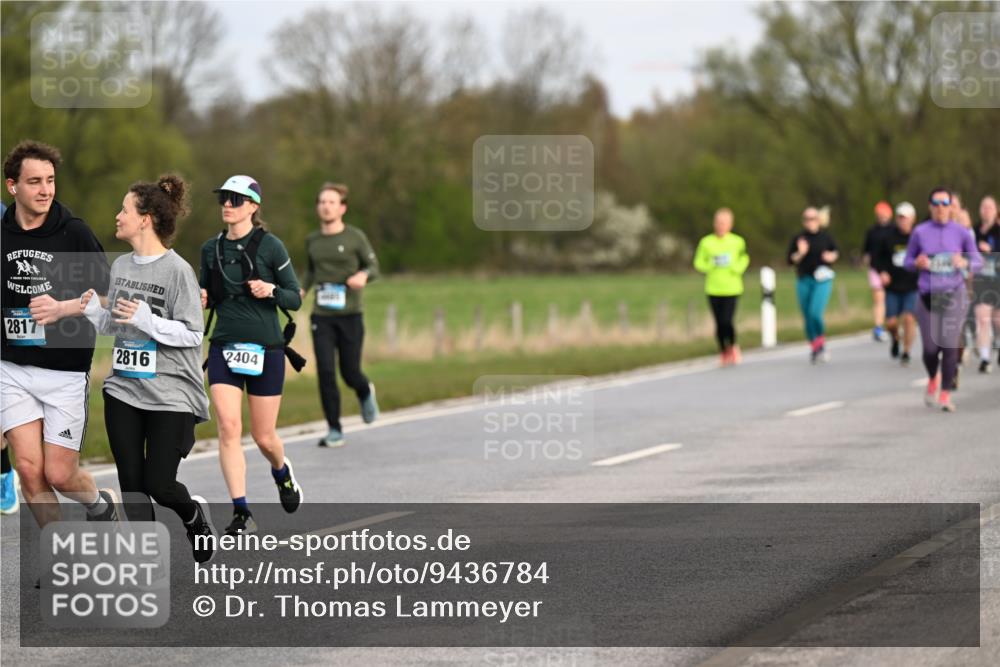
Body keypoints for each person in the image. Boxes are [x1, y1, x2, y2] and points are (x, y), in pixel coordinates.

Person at [81, 175, 215, 562]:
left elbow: (193, 333)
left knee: (159, 484)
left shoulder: (177, 271)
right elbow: (117, 326)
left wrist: (147, 319)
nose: (117, 215)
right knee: (133, 486)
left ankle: (193, 517)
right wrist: (96, 312)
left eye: (124, 209)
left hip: (170, 393)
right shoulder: (121, 265)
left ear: (146, 219)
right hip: (124, 388)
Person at [1, 140, 119, 533]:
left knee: (60, 474)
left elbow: (109, 296)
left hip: (65, 371)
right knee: (31, 472)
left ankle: (100, 505)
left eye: (50, 180)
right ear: (12, 187)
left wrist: (63, 307)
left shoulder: (73, 232)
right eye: (35, 182)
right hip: (12, 368)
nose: (46, 190)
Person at [200, 174, 303, 535]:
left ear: (253, 207)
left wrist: (271, 289)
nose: (227, 205)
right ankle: (241, 512)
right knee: (228, 427)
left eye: (235, 200)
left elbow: (295, 297)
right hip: (224, 347)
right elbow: (208, 293)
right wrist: (203, 298)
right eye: (224, 199)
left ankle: (282, 472)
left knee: (264, 437)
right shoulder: (210, 249)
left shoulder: (271, 246)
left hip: (267, 349)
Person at [301, 183, 380, 446]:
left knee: (350, 372)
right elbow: (311, 271)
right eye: (322, 202)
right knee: (325, 371)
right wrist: (301, 289)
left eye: (332, 202)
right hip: (321, 316)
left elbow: (373, 267)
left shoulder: (354, 237)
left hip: (350, 315)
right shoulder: (312, 240)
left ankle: (364, 390)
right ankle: (334, 429)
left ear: (342, 208)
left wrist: (363, 275)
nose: (326, 206)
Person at [904, 187, 983, 412]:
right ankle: (932, 378)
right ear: (930, 206)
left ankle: (946, 395)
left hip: (953, 293)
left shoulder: (961, 232)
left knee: (948, 345)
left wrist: (965, 262)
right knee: (930, 349)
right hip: (927, 294)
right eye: (936, 203)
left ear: (951, 206)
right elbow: (907, 261)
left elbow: (978, 260)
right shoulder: (919, 232)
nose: (940, 208)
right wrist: (916, 263)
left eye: (945, 203)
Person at [693, 207, 750, 367]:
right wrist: (710, 265)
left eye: (724, 223)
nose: (721, 226)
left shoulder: (737, 241)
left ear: (730, 224)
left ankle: (732, 346)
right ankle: (723, 351)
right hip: (713, 287)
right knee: (718, 323)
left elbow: (744, 258)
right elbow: (698, 263)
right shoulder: (706, 242)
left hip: (732, 287)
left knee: (727, 321)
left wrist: (736, 268)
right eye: (718, 222)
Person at [787, 206, 839, 363]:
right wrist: (800, 253)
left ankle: (820, 340)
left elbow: (835, 252)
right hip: (804, 279)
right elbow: (790, 260)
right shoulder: (799, 238)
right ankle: (815, 346)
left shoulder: (825, 237)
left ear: (818, 220)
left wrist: (831, 256)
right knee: (806, 315)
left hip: (822, 280)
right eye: (807, 219)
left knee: (815, 312)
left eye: (813, 218)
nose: (810, 222)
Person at [872, 202, 919, 365]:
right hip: (893, 286)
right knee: (891, 322)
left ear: (912, 219)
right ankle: (895, 339)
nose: (902, 221)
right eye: (900, 218)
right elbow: (876, 258)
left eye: (905, 218)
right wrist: (882, 272)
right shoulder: (888, 237)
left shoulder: (918, 237)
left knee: (908, 318)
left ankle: (906, 351)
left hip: (912, 286)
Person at [973, 195, 1000, 373]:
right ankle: (984, 358)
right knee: (982, 319)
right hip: (981, 280)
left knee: (998, 321)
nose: (986, 210)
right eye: (984, 207)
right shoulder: (973, 231)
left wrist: (991, 253)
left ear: (996, 210)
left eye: (990, 207)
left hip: (998, 279)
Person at [863, 201, 894, 341]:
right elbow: (867, 251)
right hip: (875, 268)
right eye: (879, 214)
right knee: (879, 298)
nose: (882, 216)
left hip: (893, 270)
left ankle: (891, 324)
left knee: (891, 299)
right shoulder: (872, 231)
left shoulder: (894, 230)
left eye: (884, 214)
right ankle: (878, 327)